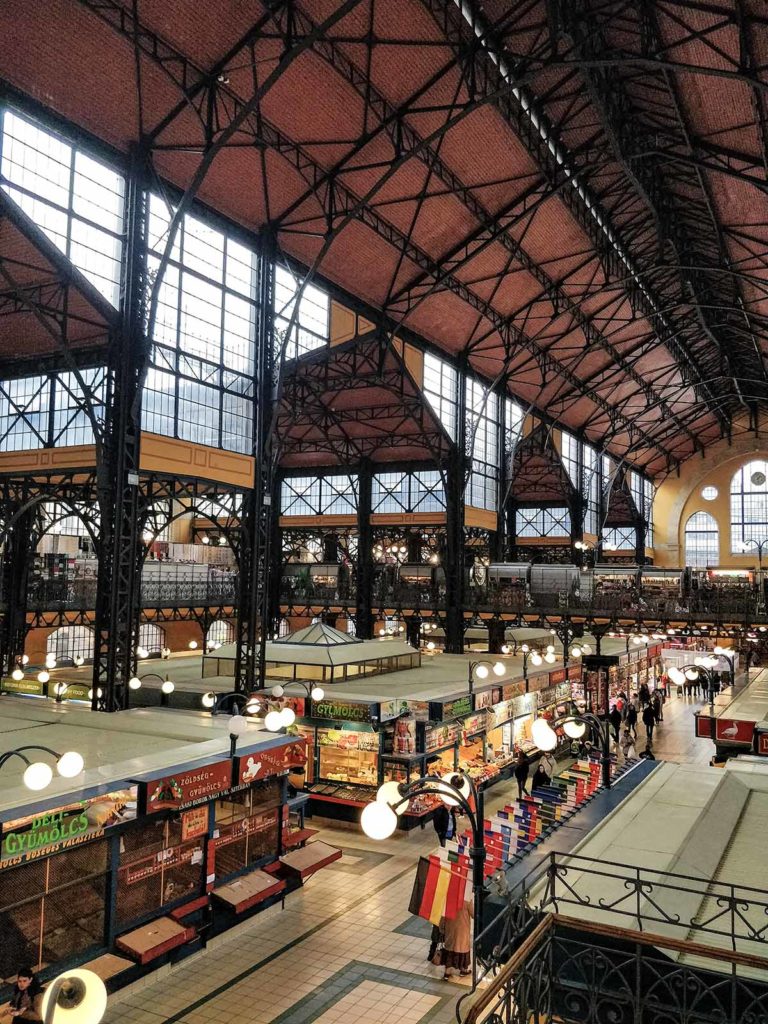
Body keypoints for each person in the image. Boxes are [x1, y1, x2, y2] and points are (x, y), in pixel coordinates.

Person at [441, 900, 473, 978]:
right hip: (462, 930)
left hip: (450, 929)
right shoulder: (467, 901)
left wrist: (442, 928)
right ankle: (463, 970)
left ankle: (447, 972)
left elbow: (442, 916)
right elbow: (474, 914)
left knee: (450, 950)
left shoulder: (448, 900)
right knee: (462, 949)